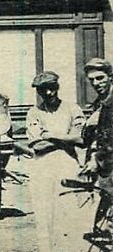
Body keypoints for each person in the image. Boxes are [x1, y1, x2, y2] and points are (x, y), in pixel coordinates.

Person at [25, 71, 85, 252]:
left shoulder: (72, 109)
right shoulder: (34, 113)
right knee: (44, 214)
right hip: (42, 168)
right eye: (43, 90)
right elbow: (37, 146)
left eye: (51, 88)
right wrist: (66, 138)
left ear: (57, 87)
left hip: (68, 164)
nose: (48, 93)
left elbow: (81, 138)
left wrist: (50, 135)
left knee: (69, 212)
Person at [83, 58, 113, 241]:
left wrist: (96, 159)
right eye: (92, 80)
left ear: (111, 77)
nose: (96, 83)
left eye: (100, 78)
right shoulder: (101, 102)